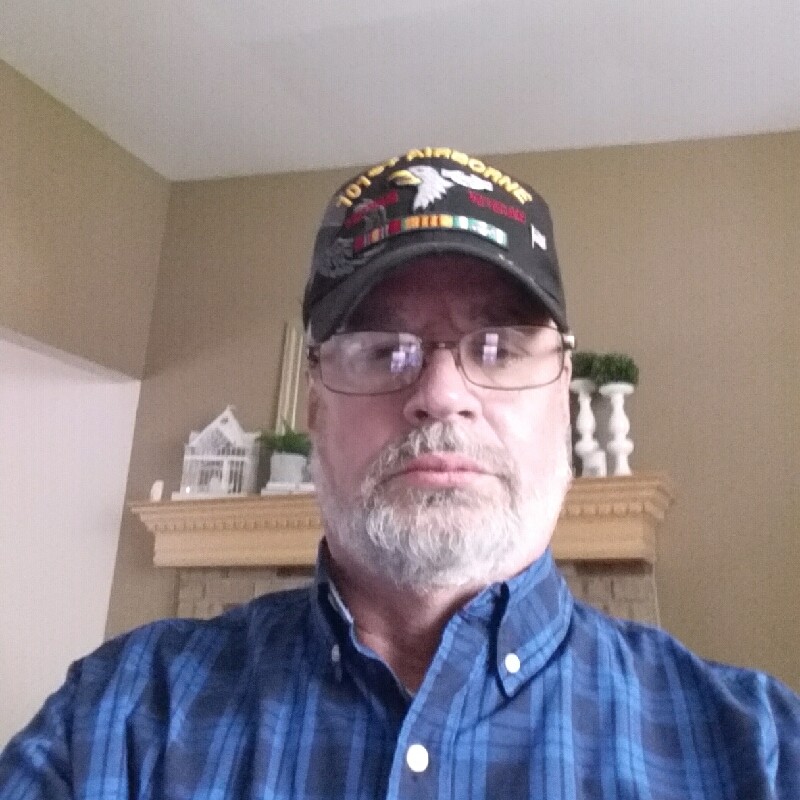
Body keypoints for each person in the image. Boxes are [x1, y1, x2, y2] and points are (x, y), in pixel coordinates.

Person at [1, 147, 797, 799]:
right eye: (383, 350)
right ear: (315, 408)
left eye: (499, 348)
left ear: (562, 394)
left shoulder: (762, 753)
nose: (441, 394)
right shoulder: (117, 719)